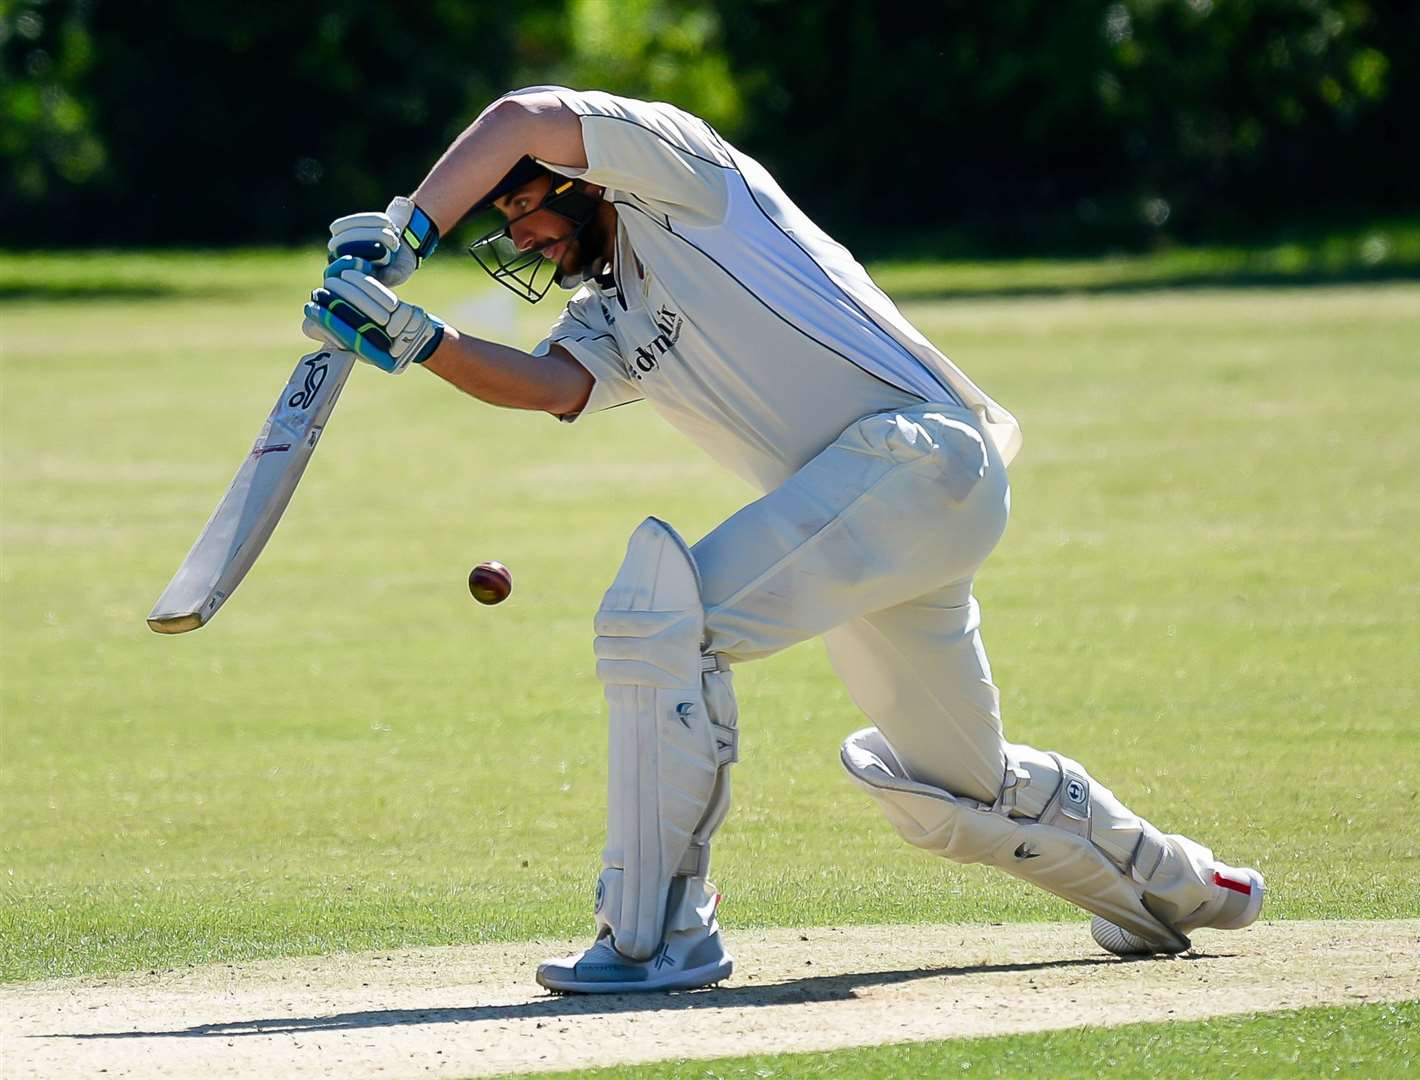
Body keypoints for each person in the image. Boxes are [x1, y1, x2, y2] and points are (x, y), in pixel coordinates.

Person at [302, 87, 1265, 994]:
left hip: (917, 462)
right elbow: (552, 386)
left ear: (585, 180)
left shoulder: (684, 179)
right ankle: (1178, 886)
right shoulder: (611, 308)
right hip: (872, 511)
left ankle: (658, 933)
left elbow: (524, 114)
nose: (520, 239)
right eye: (505, 226)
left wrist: (410, 228)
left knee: (658, 624)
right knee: (952, 792)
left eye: (525, 210)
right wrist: (416, 339)